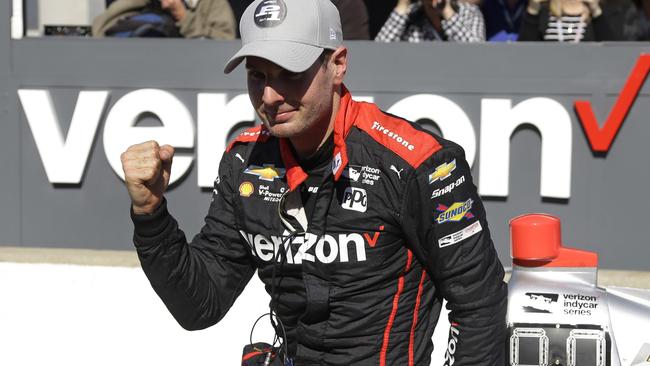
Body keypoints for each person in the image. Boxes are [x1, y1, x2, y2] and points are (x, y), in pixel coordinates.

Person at [120, 0, 507, 364]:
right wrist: (151, 213)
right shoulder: (245, 163)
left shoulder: (420, 162)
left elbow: (480, 305)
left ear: (338, 64)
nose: (270, 96)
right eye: (257, 75)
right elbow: (199, 304)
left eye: (289, 74)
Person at [93, 0, 236, 39]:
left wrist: (183, 16)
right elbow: (99, 29)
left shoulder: (211, 3)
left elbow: (224, 41)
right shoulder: (141, 3)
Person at [375, 0, 486, 42]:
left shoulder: (468, 12)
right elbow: (377, 53)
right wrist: (402, 6)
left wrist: (446, 11)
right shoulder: (409, 16)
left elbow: (477, 55)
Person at [518, 0, 616, 41]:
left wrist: (596, 11)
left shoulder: (601, 12)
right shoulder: (544, 10)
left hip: (589, 81)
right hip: (550, 79)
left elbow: (613, 53)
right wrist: (533, 9)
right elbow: (523, 53)